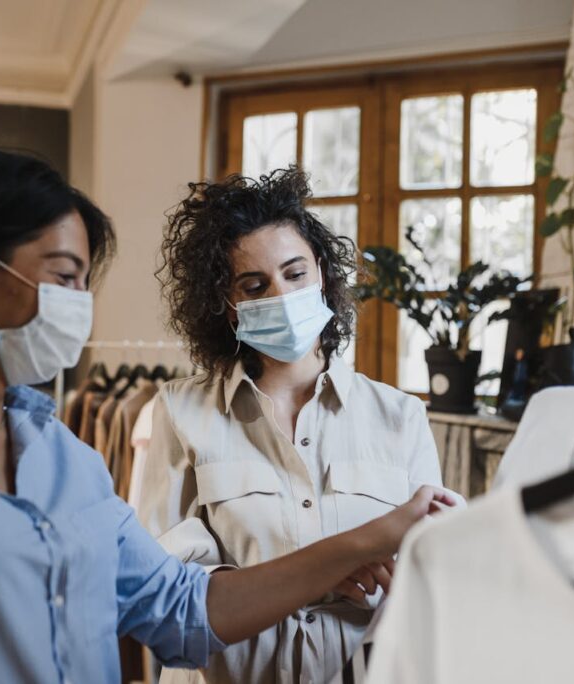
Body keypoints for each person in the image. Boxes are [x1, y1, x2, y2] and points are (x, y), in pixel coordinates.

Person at [0, 148, 452, 684]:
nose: (78, 303)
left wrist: (370, 539)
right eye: (61, 276)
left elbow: (184, 610)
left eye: (84, 280)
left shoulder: (63, 458)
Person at [141, 167, 447, 683]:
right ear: (228, 306)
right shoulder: (180, 412)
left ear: (322, 274)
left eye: (295, 273)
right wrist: (332, 568)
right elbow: (161, 587)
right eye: (254, 285)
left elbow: (424, 580)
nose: (280, 295)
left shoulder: (400, 417)